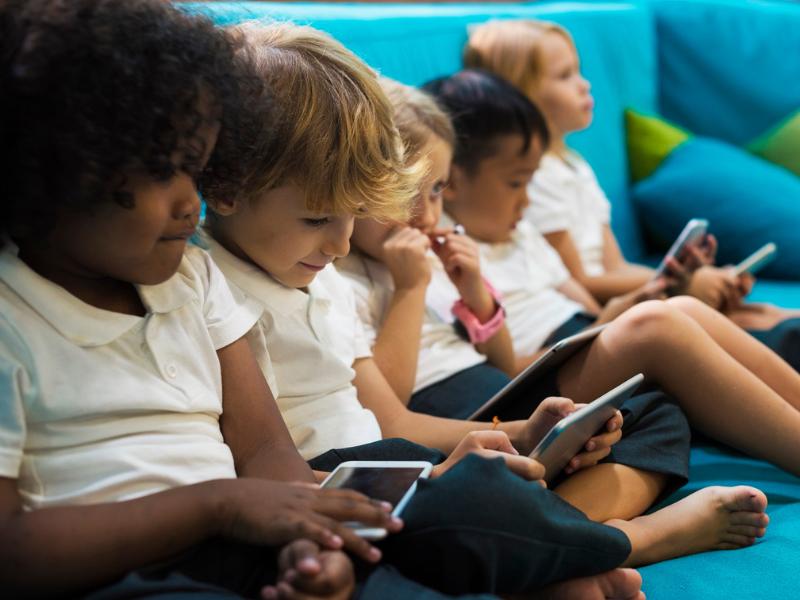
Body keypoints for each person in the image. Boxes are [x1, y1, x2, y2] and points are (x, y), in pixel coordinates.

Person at [199, 21, 768, 595]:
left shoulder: (320, 280)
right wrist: (447, 465)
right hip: (343, 469)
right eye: (319, 218)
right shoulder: (216, 289)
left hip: (390, 458)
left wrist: (523, 433)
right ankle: (629, 540)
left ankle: (545, 554)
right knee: (475, 495)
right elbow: (301, 447)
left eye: (353, 215)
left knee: (642, 416)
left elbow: (387, 415)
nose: (341, 243)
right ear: (227, 187)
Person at [0, 2, 407, 598]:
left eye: (197, 169)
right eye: (163, 171)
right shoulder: (11, 318)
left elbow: (266, 448)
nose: (193, 202)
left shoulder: (193, 279)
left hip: (242, 542)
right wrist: (218, 505)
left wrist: (306, 544)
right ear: (53, 172)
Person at [425, 68, 800, 488]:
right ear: (451, 180)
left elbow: (587, 309)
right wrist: (620, 320)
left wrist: (624, 307)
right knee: (655, 325)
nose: (526, 200)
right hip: (526, 389)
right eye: (515, 183)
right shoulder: (449, 257)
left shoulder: (521, 236)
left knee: (683, 308)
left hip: (577, 346)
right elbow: (497, 365)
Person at [463, 18, 800, 367]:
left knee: (762, 313)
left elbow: (615, 265)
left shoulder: (573, 164)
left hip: (625, 300)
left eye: (579, 71)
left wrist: (683, 278)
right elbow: (582, 281)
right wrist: (677, 284)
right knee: (766, 330)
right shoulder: (536, 180)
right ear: (518, 97)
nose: (584, 84)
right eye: (565, 76)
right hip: (605, 310)